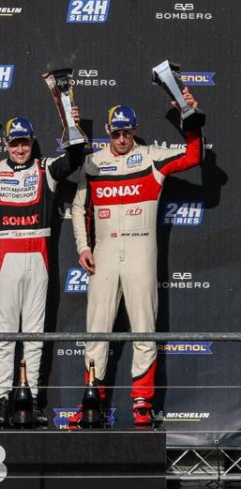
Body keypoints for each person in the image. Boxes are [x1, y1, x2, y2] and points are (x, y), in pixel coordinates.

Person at [71, 92, 203, 428]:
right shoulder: (94, 162)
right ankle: (91, 401)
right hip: (104, 253)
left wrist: (188, 116)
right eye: (115, 132)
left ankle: (142, 402)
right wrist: (83, 247)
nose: (121, 138)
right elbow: (79, 208)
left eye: (126, 132)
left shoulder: (151, 157)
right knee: (96, 328)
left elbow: (193, 155)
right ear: (106, 130)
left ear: (134, 130)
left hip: (140, 250)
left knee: (144, 327)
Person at [0, 115, 86, 427]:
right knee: (6, 335)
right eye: (15, 143)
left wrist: (69, 117)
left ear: (32, 141)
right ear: (5, 144)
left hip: (38, 261)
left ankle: (33, 401)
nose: (20, 148)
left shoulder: (46, 169)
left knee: (35, 336)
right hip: (6, 263)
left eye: (25, 142)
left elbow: (76, 158)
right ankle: (0, 401)